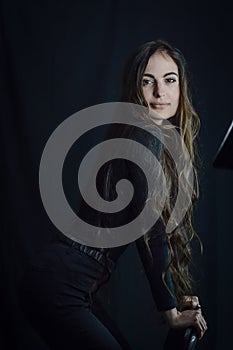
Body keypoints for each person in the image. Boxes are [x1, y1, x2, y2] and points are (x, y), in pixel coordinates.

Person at [19, 39, 207, 350]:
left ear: (180, 87)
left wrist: (176, 295)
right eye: (148, 82)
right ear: (135, 89)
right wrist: (171, 312)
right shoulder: (143, 136)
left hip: (66, 284)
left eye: (169, 80)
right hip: (59, 285)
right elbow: (152, 232)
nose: (160, 93)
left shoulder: (142, 136)